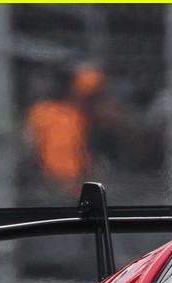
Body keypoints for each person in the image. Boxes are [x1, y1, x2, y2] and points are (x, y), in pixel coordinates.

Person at [24, 65, 123, 196]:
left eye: (95, 97)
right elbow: (28, 144)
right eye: (90, 97)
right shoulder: (45, 113)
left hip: (76, 185)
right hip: (49, 185)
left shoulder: (92, 121)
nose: (92, 102)